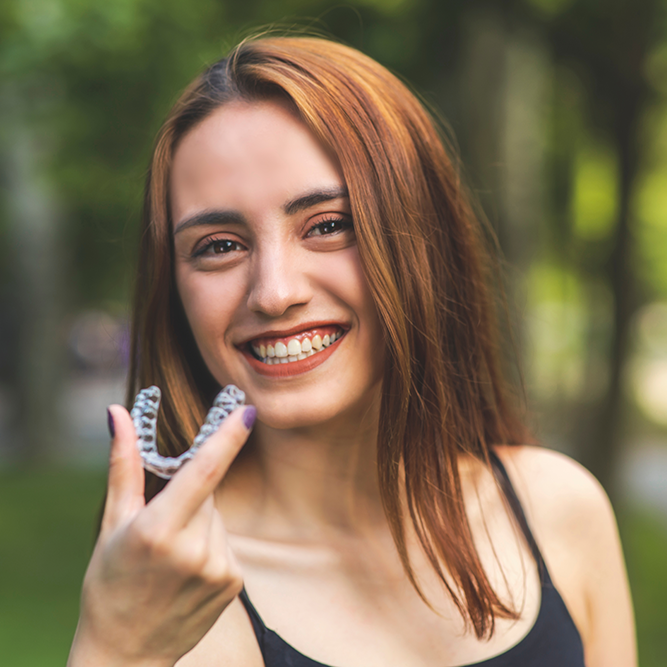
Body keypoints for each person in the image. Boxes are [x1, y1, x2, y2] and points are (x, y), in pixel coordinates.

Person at [67, 35, 636, 667]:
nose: (275, 292)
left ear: (425, 239)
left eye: (329, 225)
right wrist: (114, 648)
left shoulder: (561, 510)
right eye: (220, 245)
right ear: (173, 291)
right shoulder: (182, 600)